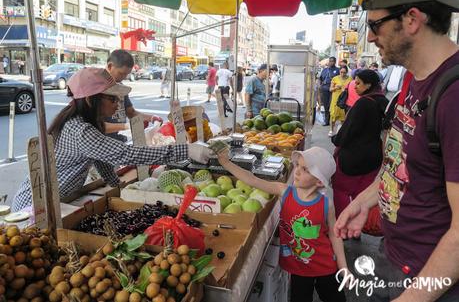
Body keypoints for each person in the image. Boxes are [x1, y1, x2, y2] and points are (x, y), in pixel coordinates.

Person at [335, 0, 459, 301]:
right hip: (395, 258)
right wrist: (365, 200)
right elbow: (401, 163)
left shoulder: (453, 96)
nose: (371, 36)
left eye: (376, 24)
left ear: (412, 19)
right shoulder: (411, 79)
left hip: (430, 283)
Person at [11, 68, 212, 211]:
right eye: (112, 99)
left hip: (57, 200)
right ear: (91, 100)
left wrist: (116, 185)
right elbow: (125, 154)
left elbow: (101, 158)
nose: (118, 104)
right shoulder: (80, 130)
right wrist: (185, 150)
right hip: (35, 208)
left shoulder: (85, 122)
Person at [216, 146, 347, 302]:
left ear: (319, 181)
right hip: (299, 269)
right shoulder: (284, 192)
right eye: (297, 165)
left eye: (305, 169)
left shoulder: (327, 204)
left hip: (325, 265)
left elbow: (334, 234)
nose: (297, 171)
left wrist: (343, 266)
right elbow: (252, 179)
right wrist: (225, 162)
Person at [331, 69, 388, 217]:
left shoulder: (363, 103)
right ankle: (358, 228)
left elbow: (347, 131)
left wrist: (335, 139)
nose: (354, 86)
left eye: (358, 83)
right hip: (374, 157)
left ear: (368, 85)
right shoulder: (385, 101)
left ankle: (343, 224)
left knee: (341, 191)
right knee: (362, 194)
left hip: (353, 158)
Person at [103, 50, 162, 142]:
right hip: (103, 143)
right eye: (121, 73)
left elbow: (130, 112)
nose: (124, 77)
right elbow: (94, 126)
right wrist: (126, 126)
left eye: (127, 74)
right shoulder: (97, 87)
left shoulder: (120, 87)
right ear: (110, 66)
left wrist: (151, 118)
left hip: (119, 139)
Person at [329, 66, 352, 136]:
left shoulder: (350, 79)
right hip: (336, 99)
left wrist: (345, 90)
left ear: (347, 72)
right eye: (341, 72)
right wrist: (335, 87)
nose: (342, 74)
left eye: (344, 72)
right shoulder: (335, 78)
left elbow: (352, 89)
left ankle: (342, 131)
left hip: (344, 99)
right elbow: (330, 89)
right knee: (333, 116)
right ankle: (331, 130)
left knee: (344, 116)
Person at [319, 57, 339, 126]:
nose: (331, 62)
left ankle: (331, 120)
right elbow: (321, 78)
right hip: (324, 88)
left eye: (332, 61)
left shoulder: (337, 70)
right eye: (330, 61)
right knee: (325, 105)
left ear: (335, 62)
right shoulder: (325, 69)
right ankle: (327, 121)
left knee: (331, 104)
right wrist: (321, 86)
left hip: (333, 89)